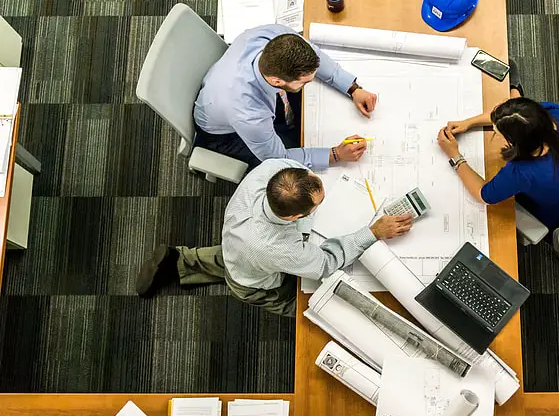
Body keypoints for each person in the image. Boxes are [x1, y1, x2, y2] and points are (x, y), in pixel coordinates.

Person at [135, 159, 413, 317]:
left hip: (237, 242)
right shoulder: (277, 248)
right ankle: (311, 314)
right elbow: (326, 263)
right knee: (306, 305)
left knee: (233, 257)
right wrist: (372, 232)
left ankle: (179, 260)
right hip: (254, 280)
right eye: (318, 204)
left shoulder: (273, 170)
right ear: (295, 218)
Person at [436, 60, 559, 245]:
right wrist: (469, 122)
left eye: (498, 133)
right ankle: (516, 89)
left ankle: (515, 89)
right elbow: (516, 114)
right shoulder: (555, 115)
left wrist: (454, 155)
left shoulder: (521, 172)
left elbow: (483, 195)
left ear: (515, 142)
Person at [194, 24, 379, 171]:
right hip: (224, 135)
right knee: (291, 161)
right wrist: (335, 154)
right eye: (304, 82)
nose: (310, 83)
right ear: (277, 81)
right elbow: (278, 157)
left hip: (224, 90)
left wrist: (352, 88)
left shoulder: (275, 36)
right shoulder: (248, 113)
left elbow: (316, 56)